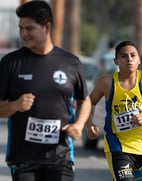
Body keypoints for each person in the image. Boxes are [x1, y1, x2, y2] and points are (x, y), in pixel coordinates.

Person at [0, 1, 91, 181]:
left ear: (47, 27)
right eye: (21, 28)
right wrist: (16, 105)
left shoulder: (70, 62)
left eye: (29, 28)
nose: (24, 34)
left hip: (61, 157)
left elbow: (84, 100)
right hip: (23, 159)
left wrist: (79, 125)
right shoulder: (10, 63)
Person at [86, 40, 142, 181]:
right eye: (124, 56)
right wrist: (89, 124)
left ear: (138, 60)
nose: (129, 59)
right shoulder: (106, 82)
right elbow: (88, 103)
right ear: (116, 61)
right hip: (117, 146)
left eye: (133, 55)